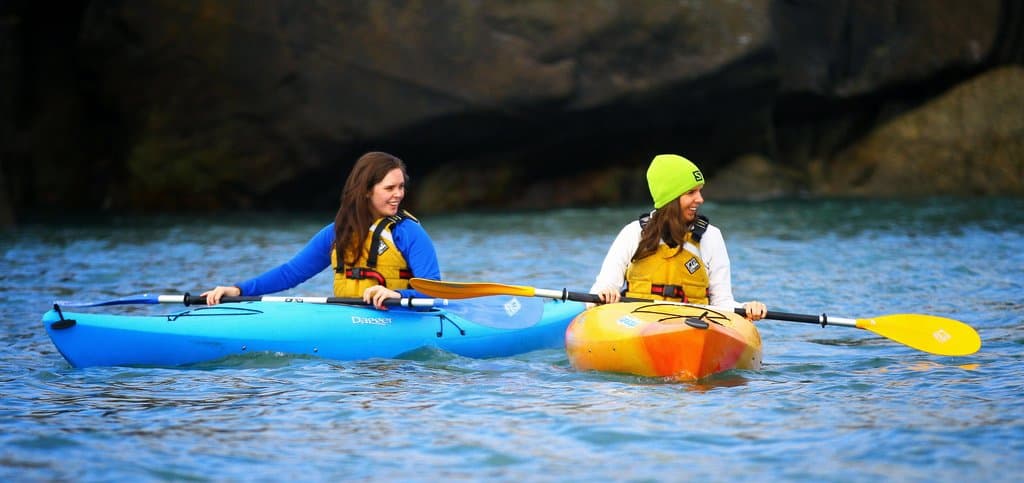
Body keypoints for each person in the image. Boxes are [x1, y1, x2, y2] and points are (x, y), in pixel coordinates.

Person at [202, 151, 441, 310]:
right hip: (348, 317)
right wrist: (238, 290)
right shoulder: (336, 233)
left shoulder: (409, 233)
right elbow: (290, 273)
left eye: (401, 187)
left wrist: (397, 295)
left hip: (402, 318)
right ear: (367, 190)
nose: (398, 194)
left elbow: (433, 292)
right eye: (390, 188)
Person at [589, 154, 767, 321]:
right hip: (637, 323)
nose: (700, 199)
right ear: (670, 199)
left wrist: (746, 308)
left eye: (700, 191)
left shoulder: (711, 236)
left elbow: (722, 304)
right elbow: (597, 293)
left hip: (693, 326)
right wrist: (607, 293)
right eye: (691, 193)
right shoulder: (633, 233)